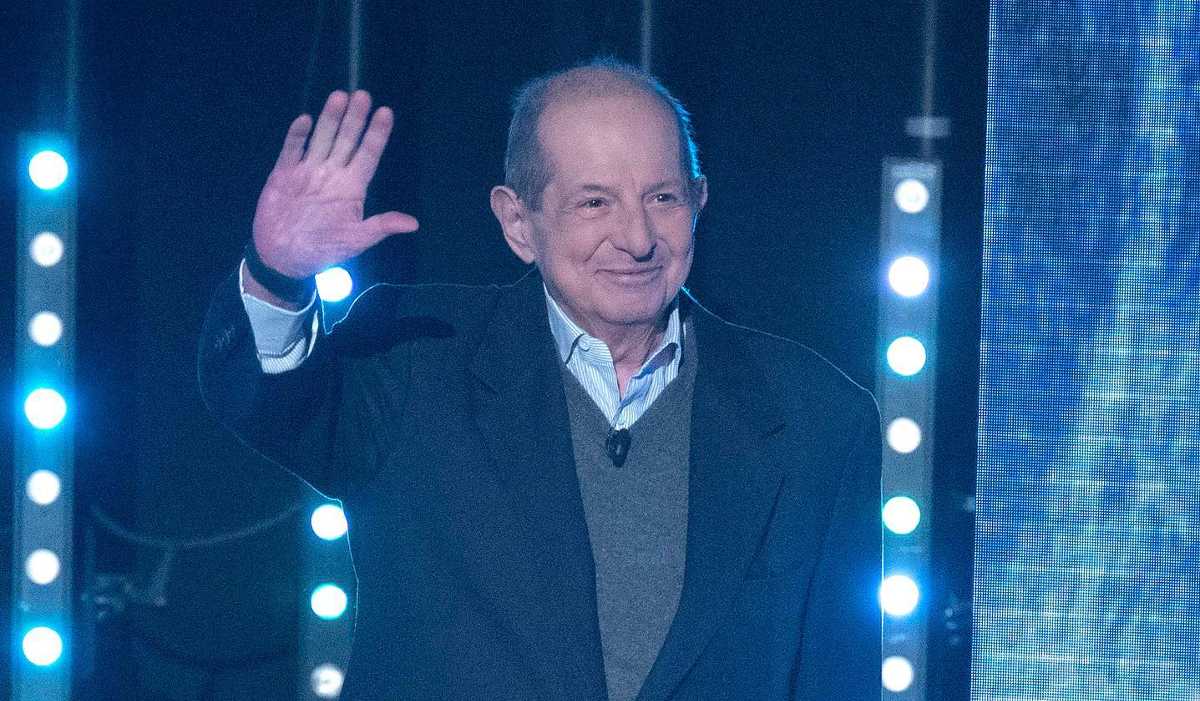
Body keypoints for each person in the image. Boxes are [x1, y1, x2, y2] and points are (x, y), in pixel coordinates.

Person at [198, 58, 881, 701]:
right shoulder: (413, 358)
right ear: (518, 223)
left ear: (699, 201)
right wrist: (277, 276)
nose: (637, 237)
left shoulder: (819, 416)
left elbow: (837, 671)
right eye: (594, 203)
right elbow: (270, 402)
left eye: (663, 197)